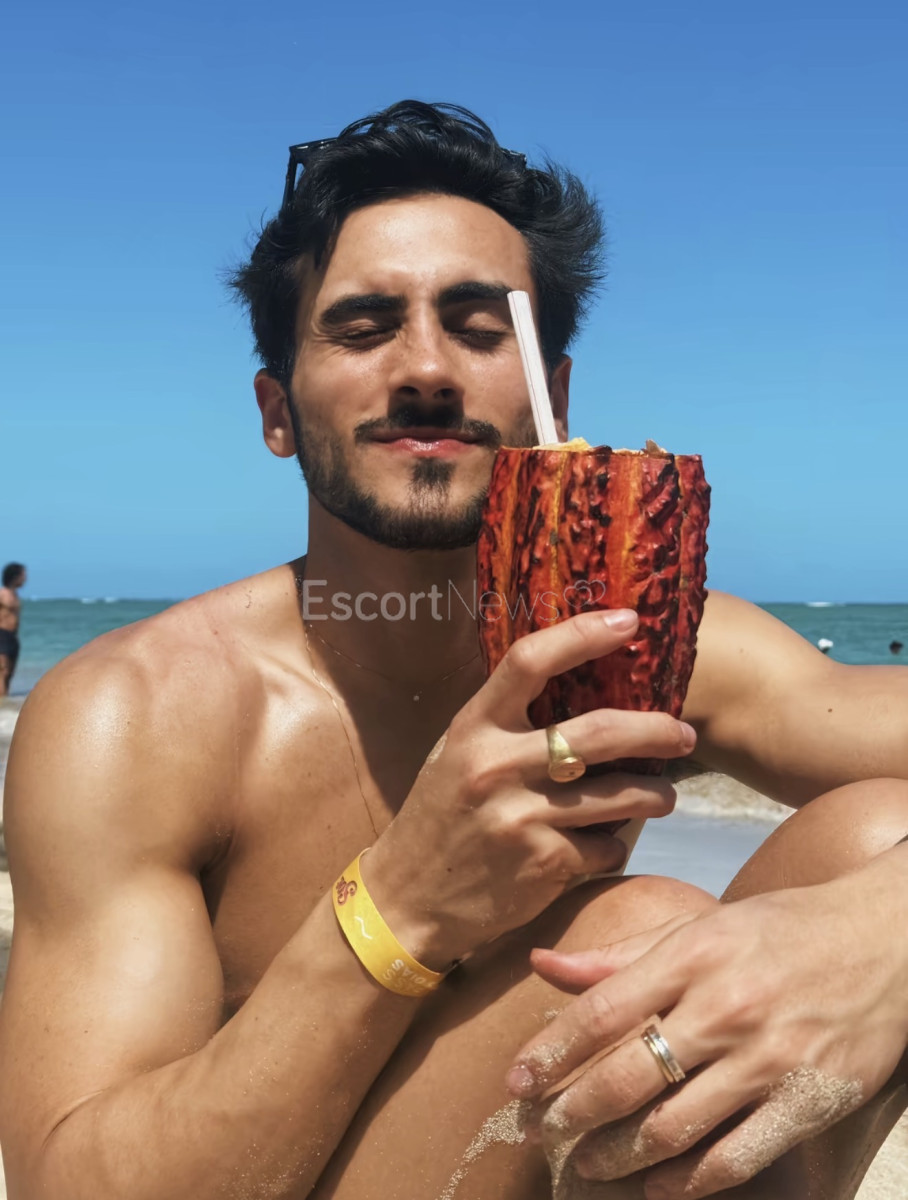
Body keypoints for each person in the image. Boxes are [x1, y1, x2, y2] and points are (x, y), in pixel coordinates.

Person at [0, 101, 906, 1200]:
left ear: (552, 397)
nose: (426, 368)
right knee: (638, 938)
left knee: (876, 841)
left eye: (479, 329)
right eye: (362, 328)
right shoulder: (137, 716)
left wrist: (882, 930)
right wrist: (402, 905)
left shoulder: (634, 645)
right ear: (276, 412)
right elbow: (64, 1184)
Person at [0, 561, 26, 696]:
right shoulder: (2, 594)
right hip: (2, 635)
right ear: (15, 576)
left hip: (13, 637)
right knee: (2, 670)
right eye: (23, 575)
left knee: (9, 673)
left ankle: (5, 702)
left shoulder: (15, 595)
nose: (25, 579)